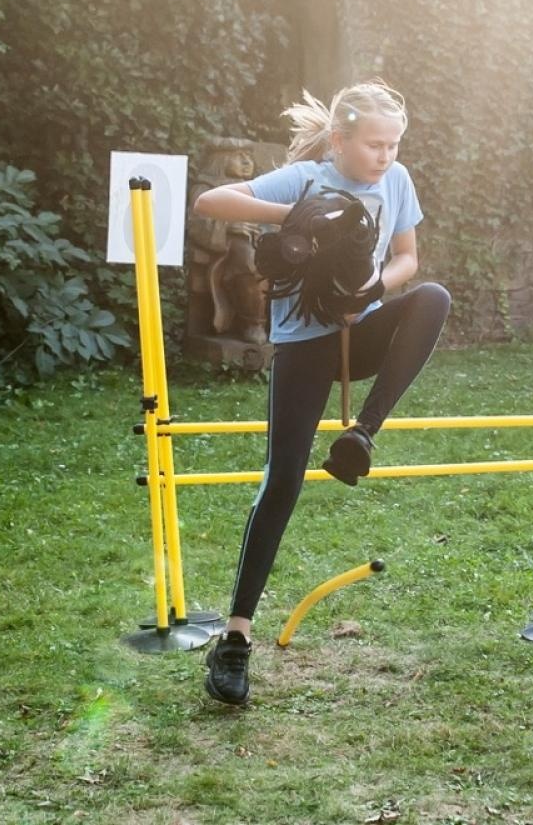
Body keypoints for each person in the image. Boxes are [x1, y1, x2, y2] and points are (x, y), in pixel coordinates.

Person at [190, 80, 451, 706]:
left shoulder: (398, 181)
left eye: (393, 145)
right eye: (373, 146)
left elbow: (409, 258)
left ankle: (362, 433)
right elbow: (210, 200)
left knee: (433, 299)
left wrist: (373, 289)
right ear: (339, 140)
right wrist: (301, 217)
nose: (385, 157)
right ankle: (234, 643)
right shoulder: (304, 179)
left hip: (358, 331)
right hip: (304, 349)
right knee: (281, 484)